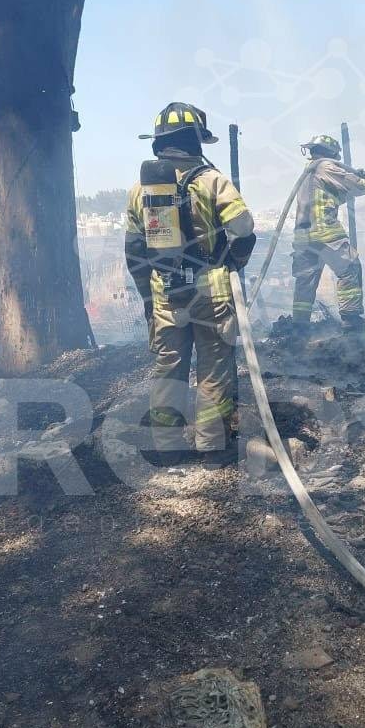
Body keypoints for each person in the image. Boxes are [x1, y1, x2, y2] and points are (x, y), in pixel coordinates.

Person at [125, 102, 255, 464]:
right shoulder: (212, 181)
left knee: (169, 365)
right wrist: (231, 260)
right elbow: (243, 229)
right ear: (196, 139)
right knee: (214, 365)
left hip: (165, 293)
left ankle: (166, 448)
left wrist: (149, 301)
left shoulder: (140, 190)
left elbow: (134, 250)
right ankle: (212, 447)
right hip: (210, 292)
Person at [291, 134, 365, 332]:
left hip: (303, 237)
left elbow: (339, 194)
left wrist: (361, 182)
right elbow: (355, 185)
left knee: (306, 279)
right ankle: (351, 318)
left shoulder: (309, 171)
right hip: (325, 231)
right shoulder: (325, 166)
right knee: (349, 266)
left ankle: (299, 325)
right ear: (332, 153)